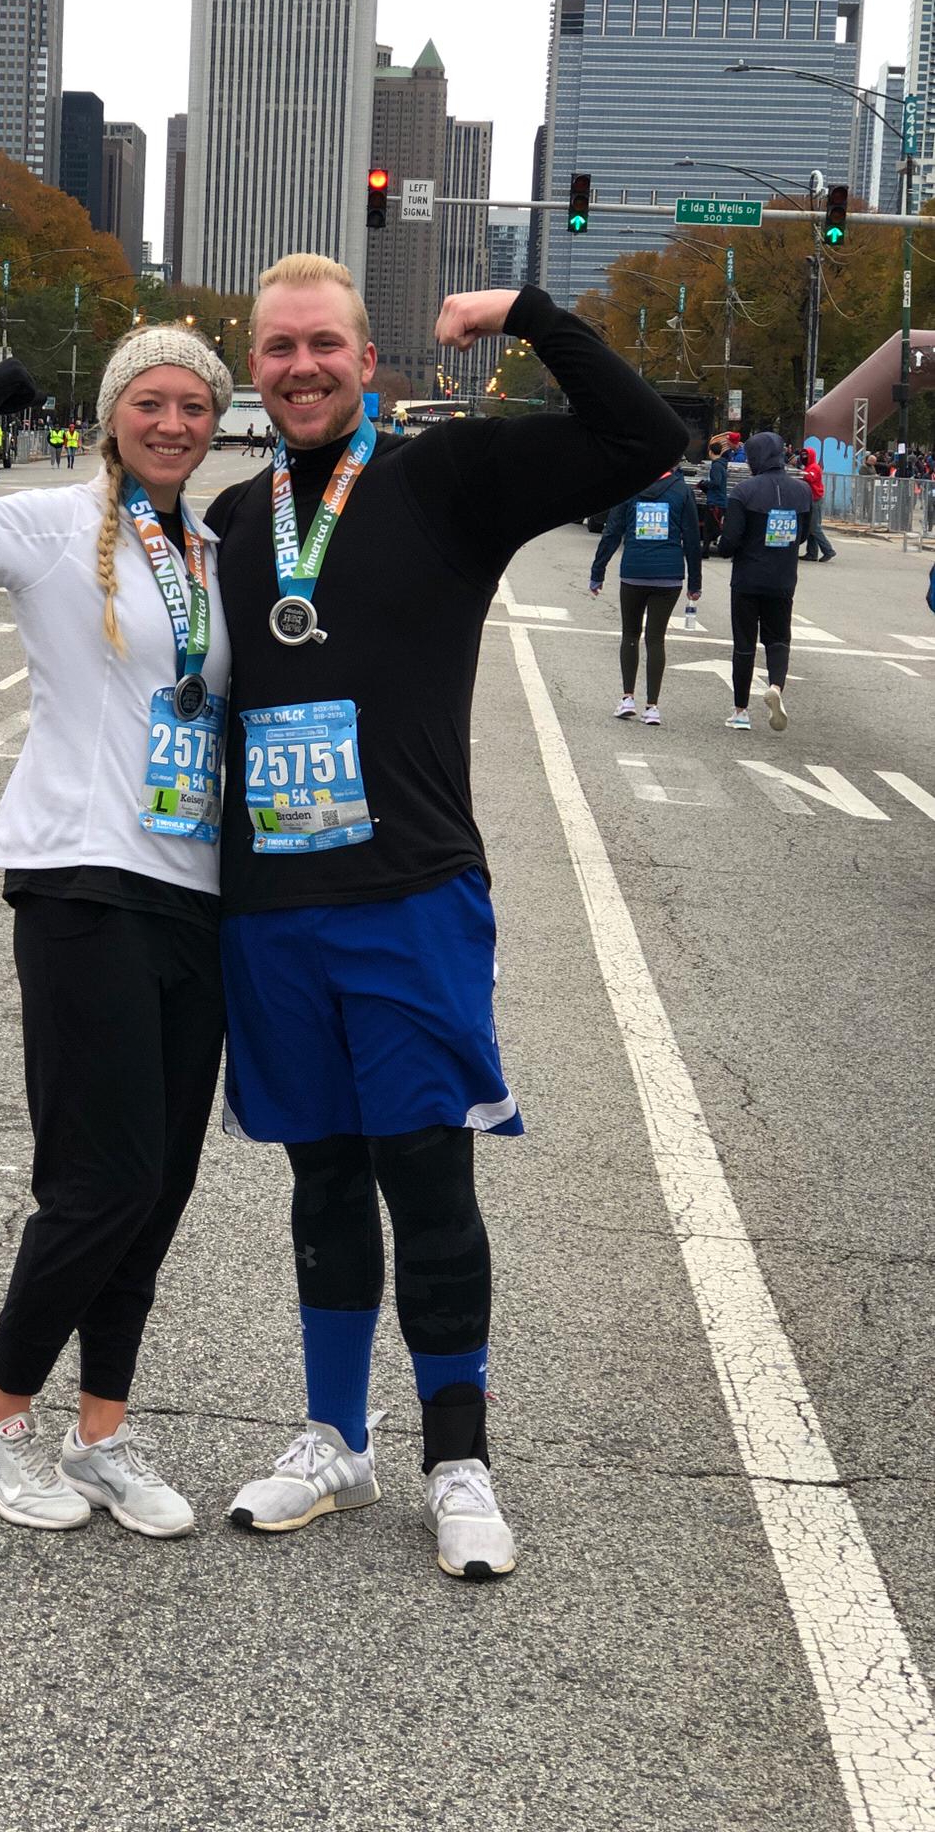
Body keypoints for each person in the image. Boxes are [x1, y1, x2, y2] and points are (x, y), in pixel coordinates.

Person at [203, 255, 685, 1578]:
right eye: (278, 347)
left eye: (324, 344)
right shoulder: (235, 521)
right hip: (273, 909)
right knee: (320, 1179)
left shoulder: (445, 479)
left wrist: (527, 314)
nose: (300, 367)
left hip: (409, 897)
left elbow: (645, 438)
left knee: (427, 1177)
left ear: (368, 361)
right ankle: (334, 1438)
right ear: (257, 366)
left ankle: (457, 1459)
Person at [0, 326, 235, 1537]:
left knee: (160, 1186)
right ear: (113, 412)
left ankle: (102, 1433)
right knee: (100, 1178)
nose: (172, 423)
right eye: (149, 401)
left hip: (198, 892)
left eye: (194, 406)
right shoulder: (56, 525)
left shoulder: (211, 551)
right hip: (83, 877)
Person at [588, 463, 701, 724]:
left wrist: (598, 571)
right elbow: (692, 539)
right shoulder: (682, 491)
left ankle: (627, 697)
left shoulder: (630, 487)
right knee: (656, 639)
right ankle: (652, 707)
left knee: (630, 634)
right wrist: (695, 583)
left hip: (634, 571)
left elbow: (612, 531)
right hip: (669, 575)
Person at [717, 430, 809, 733]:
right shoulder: (802, 491)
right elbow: (803, 536)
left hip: (748, 577)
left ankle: (741, 710)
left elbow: (729, 542)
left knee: (744, 643)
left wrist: (724, 541)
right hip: (783, 577)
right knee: (779, 639)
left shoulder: (744, 491)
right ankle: (776, 686)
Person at [800, 444, 835, 563]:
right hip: (811, 499)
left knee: (814, 527)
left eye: (806, 455)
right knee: (811, 527)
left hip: (815, 499)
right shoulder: (808, 467)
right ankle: (812, 553)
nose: (804, 457)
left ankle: (828, 550)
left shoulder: (814, 467)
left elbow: (810, 478)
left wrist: (801, 474)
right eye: (803, 455)